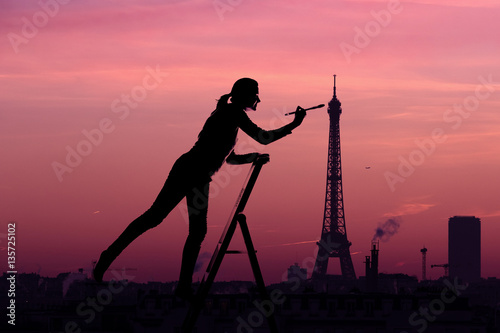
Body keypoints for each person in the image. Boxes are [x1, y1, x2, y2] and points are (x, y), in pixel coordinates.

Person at [93, 78, 306, 300]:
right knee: (162, 220)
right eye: (255, 94)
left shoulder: (228, 114)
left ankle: (177, 283)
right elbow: (263, 137)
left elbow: (229, 158)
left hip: (195, 173)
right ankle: (117, 260)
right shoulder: (233, 113)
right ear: (244, 95)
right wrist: (295, 124)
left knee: (173, 224)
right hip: (191, 172)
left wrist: (251, 157)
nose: (258, 99)